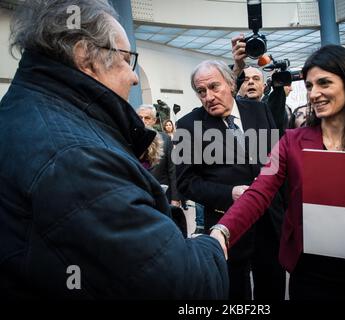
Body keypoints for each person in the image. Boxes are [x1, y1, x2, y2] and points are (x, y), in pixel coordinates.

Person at [0, 0, 227, 299]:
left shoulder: (22, 114)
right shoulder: (76, 157)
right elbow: (181, 284)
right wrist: (212, 246)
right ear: (85, 56)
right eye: (125, 58)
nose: (134, 77)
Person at [211, 45, 345, 300]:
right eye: (308, 86)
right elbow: (260, 190)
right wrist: (223, 231)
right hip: (310, 270)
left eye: (324, 83)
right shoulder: (290, 141)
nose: (314, 94)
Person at [175, 60, 286, 300]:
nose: (209, 96)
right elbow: (185, 183)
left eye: (215, 87)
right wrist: (229, 193)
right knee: (236, 291)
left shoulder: (260, 110)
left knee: (273, 285)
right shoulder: (187, 126)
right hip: (228, 225)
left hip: (270, 220)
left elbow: (277, 161)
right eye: (201, 91)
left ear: (231, 84)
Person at [137, 105, 180, 207]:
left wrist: (175, 197)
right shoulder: (129, 139)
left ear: (154, 120)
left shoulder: (165, 139)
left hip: (162, 194)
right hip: (139, 195)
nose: (143, 121)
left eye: (147, 118)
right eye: (140, 118)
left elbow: (172, 170)